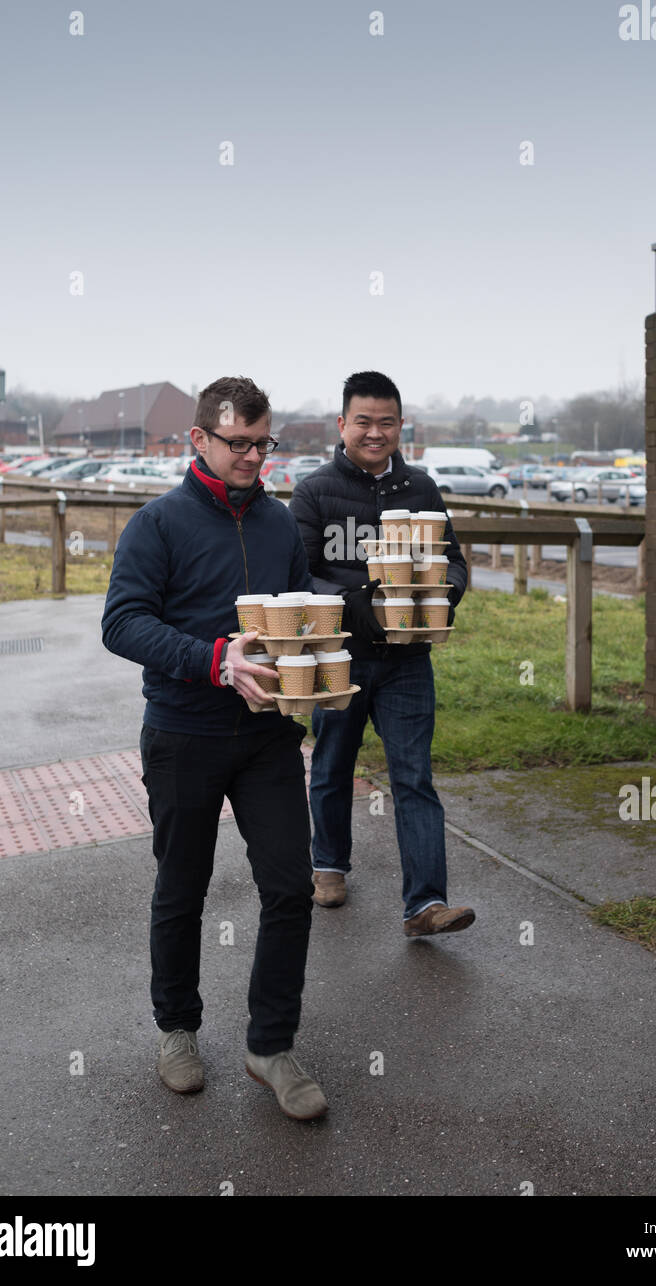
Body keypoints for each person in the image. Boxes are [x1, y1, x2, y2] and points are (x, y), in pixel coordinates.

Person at [101, 376, 328, 1121]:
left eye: (264, 444)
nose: (253, 458)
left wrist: (310, 684)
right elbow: (122, 624)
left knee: (291, 885)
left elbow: (296, 619)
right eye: (239, 443)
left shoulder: (277, 524)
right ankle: (177, 1031)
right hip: (183, 734)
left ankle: (270, 1045)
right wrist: (213, 660)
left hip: (265, 740)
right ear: (199, 439)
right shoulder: (156, 525)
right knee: (182, 888)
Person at [289, 370, 475, 936]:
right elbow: (298, 573)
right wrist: (351, 603)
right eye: (363, 421)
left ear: (401, 426)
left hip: (407, 660)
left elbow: (455, 562)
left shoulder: (421, 489)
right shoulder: (315, 490)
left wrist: (444, 595)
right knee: (332, 765)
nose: (375, 432)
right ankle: (328, 866)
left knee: (414, 775)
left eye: (386, 422)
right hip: (339, 654)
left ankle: (425, 904)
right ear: (342, 424)